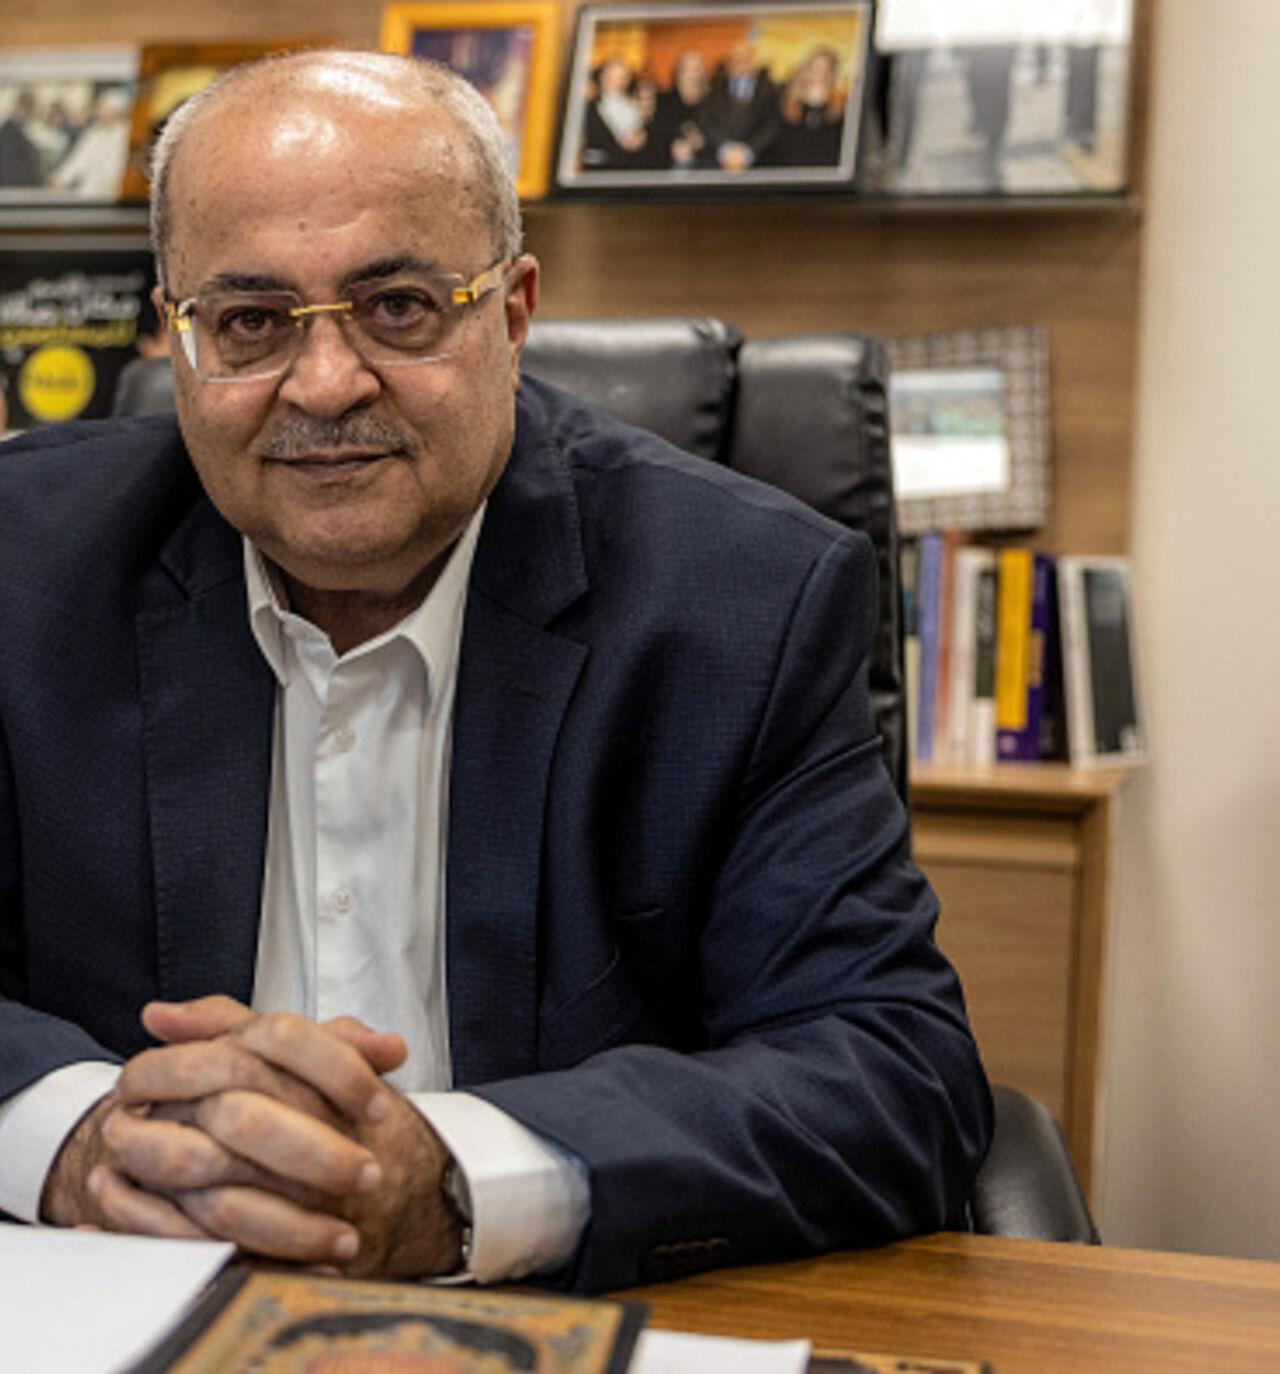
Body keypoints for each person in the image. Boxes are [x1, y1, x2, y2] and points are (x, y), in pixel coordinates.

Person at [0, 50, 990, 1294]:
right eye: (249, 322)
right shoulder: (23, 569)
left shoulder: (742, 603)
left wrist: (451, 1183)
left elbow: (888, 1072)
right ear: (178, 335)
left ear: (512, 315)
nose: (325, 383)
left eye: (398, 306)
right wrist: (88, 1143)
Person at [698, 40, 783, 172]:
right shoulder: (712, 88)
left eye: (745, 59)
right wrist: (726, 151)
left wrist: (747, 152)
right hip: (717, 162)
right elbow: (705, 121)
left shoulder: (770, 90)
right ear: (728, 63)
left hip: (760, 163)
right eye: (736, 60)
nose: (741, 64)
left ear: (754, 62)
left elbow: (772, 125)